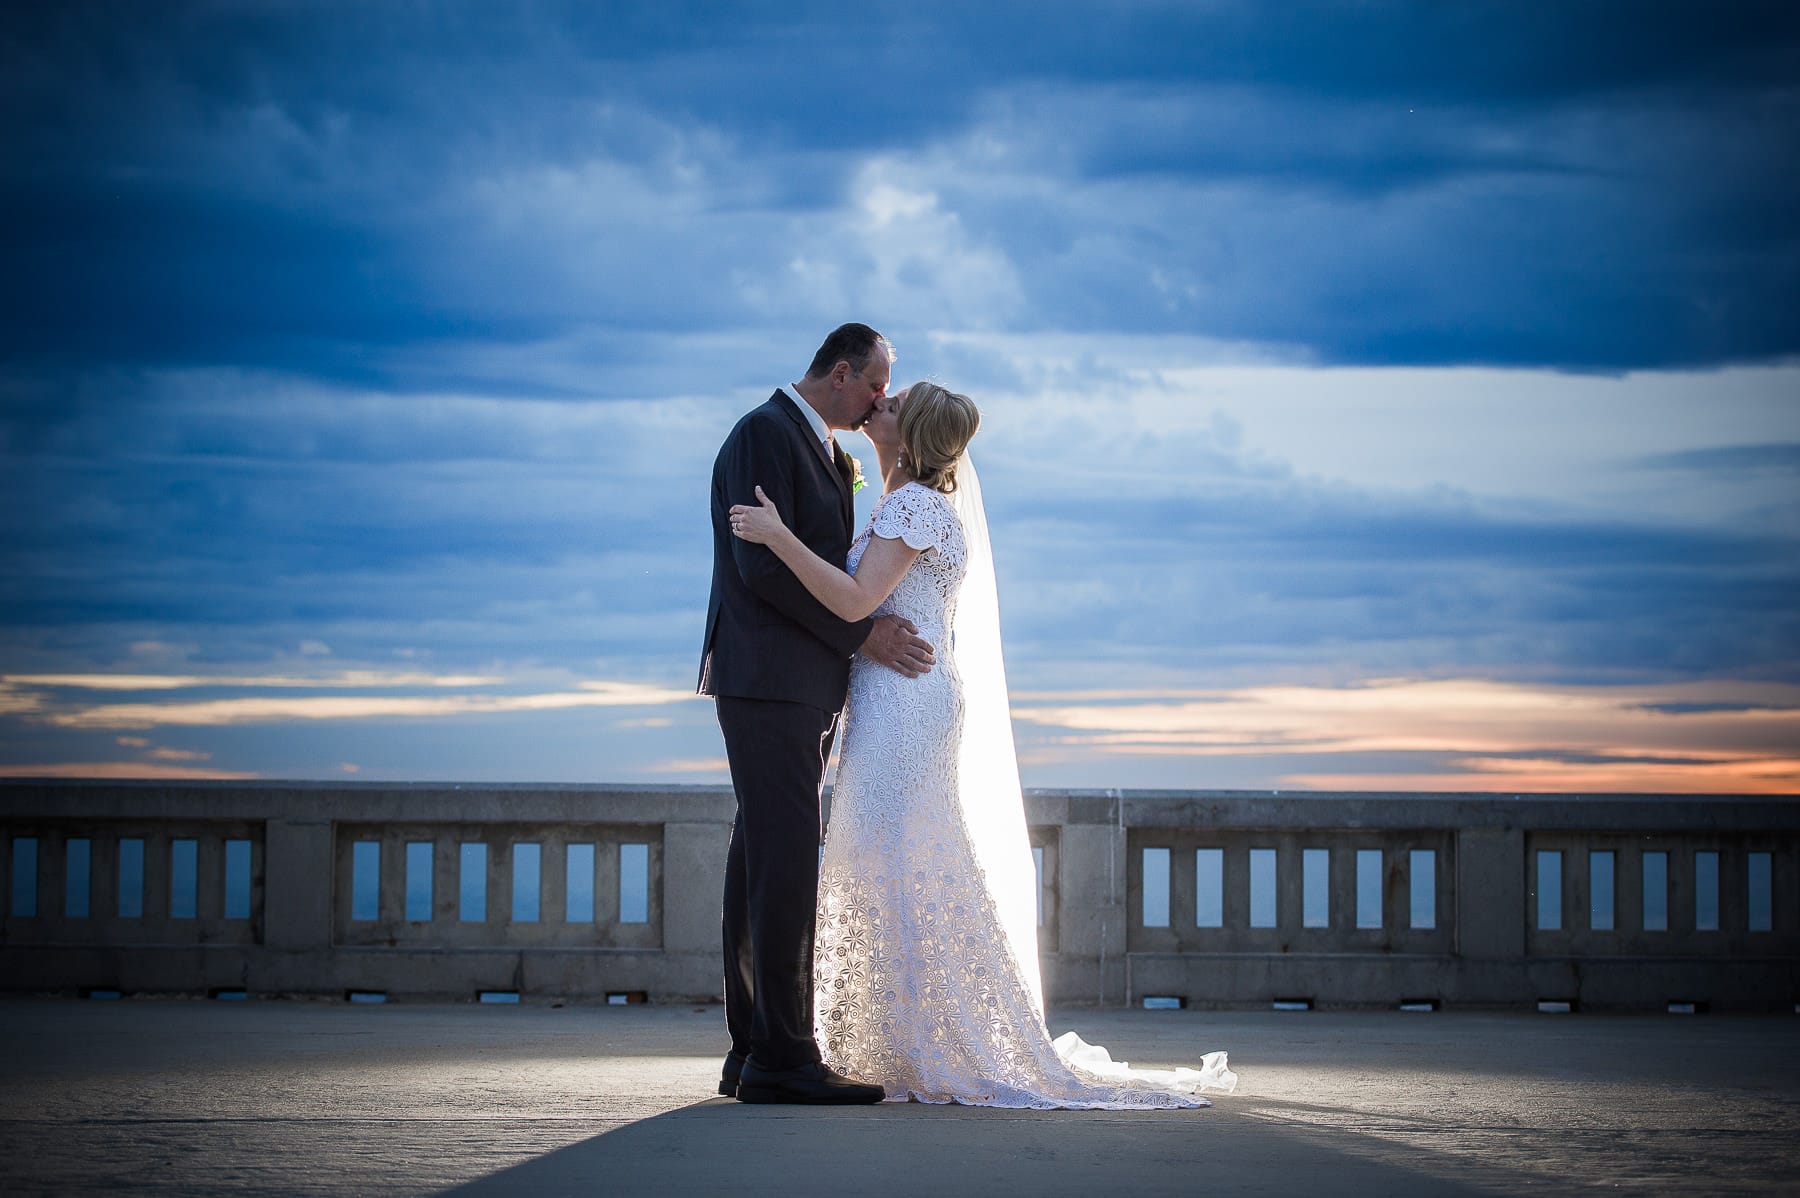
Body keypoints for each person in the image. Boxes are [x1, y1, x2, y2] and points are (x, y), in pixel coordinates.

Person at [729, 381, 1237, 1108]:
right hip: (904, 695)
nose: (881, 403)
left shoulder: (913, 507)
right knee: (894, 856)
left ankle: (916, 1037)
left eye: (895, 404)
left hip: (906, 699)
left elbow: (851, 602)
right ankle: (896, 1033)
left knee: (890, 852)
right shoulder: (912, 501)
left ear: (912, 437)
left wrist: (777, 535)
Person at [698, 323, 937, 1105]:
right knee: (785, 862)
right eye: (876, 385)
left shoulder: (831, 454)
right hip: (766, 680)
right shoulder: (762, 435)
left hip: (797, 684)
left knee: (761, 860)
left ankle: (754, 1050)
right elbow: (760, 565)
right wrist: (864, 634)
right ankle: (785, 1059)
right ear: (842, 373)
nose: (879, 400)